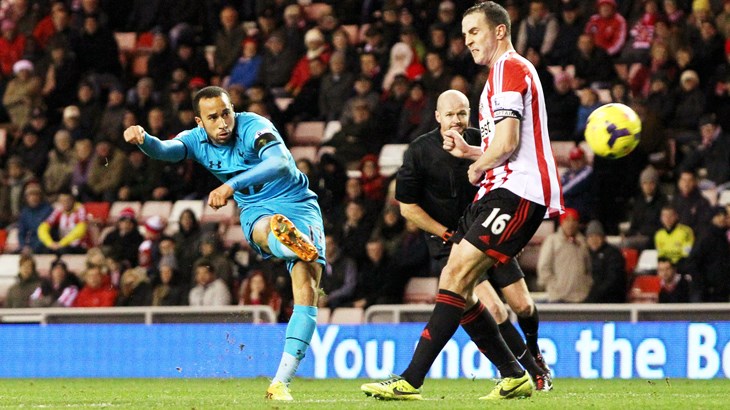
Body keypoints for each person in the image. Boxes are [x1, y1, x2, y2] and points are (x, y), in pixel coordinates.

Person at [362, 3, 563, 401]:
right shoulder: (498, 76)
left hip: (517, 191)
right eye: (465, 33)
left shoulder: (510, 69)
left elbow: (506, 145)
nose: (467, 39)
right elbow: (503, 145)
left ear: (500, 31)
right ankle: (513, 373)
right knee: (460, 285)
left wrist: (477, 166)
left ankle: (411, 380)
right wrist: (473, 155)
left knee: (463, 282)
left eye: (474, 31)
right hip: (502, 190)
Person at [123, 85, 325, 401]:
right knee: (263, 230)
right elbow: (165, 150)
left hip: (295, 200)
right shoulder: (195, 139)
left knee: (307, 291)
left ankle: (279, 383)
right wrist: (143, 139)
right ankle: (290, 244)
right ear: (199, 121)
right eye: (213, 117)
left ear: (234, 110)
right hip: (257, 208)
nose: (223, 123)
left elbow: (281, 164)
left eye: (226, 113)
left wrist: (231, 185)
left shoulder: (255, 126)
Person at [394, 89, 551, 389]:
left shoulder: (483, 142)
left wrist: (507, 231)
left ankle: (533, 351)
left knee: (524, 305)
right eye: (450, 114)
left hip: (488, 230)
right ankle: (531, 373)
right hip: (450, 242)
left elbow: (510, 177)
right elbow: (407, 208)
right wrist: (444, 233)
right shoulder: (419, 151)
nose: (456, 120)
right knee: (494, 308)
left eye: (462, 113)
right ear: (438, 117)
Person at [537, 208, 592, 302]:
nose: (570, 224)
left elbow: (588, 268)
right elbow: (544, 268)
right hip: (558, 298)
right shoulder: (552, 241)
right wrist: (556, 287)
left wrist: (586, 285)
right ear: (562, 222)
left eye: (574, 220)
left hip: (581, 298)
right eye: (567, 220)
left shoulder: (582, 242)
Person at [584, 220, 626, 303]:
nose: (594, 240)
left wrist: (594, 294)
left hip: (609, 299)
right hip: (588, 297)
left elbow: (613, 279)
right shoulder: (584, 253)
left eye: (597, 236)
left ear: (603, 237)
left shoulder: (613, 254)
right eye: (591, 236)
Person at [37, 190, 88, 254]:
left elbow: (81, 229)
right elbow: (43, 228)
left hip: (79, 246)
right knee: (43, 250)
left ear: (73, 200)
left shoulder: (79, 209)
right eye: (62, 201)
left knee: (63, 251)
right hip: (62, 245)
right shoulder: (59, 210)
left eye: (68, 200)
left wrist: (62, 243)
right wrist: (50, 243)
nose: (65, 203)